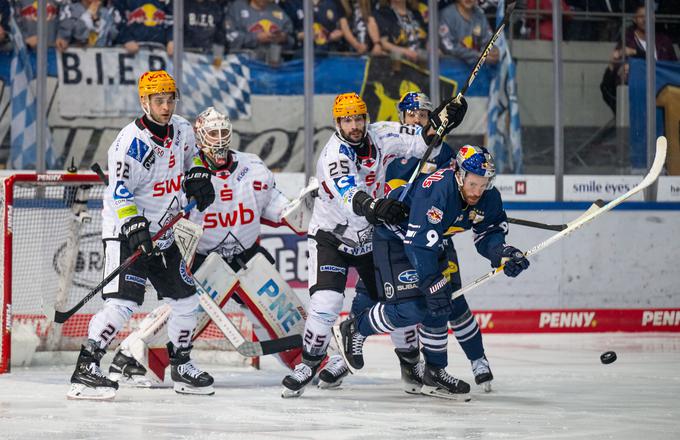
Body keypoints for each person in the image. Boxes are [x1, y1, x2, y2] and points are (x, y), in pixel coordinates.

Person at [108, 106, 314, 385]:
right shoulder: (181, 173)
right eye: (211, 133)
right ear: (198, 138)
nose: (218, 139)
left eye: (222, 132)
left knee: (284, 312)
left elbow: (277, 207)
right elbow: (166, 213)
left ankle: (316, 360)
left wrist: (301, 208)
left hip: (249, 258)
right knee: (185, 311)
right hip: (207, 262)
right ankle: (134, 358)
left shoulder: (252, 166)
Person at [280, 91, 467, 398]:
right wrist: (375, 206)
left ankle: (410, 364)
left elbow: (420, 142)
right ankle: (308, 363)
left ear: (365, 118)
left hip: (371, 236)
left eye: (358, 118)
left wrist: (440, 124)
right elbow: (350, 193)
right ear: (337, 122)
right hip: (333, 237)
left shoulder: (380, 134)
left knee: (403, 302)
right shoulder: (333, 156)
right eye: (347, 120)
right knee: (326, 304)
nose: (354, 125)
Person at [335, 146, 530, 400]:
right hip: (394, 237)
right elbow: (418, 244)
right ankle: (355, 327)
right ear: (458, 174)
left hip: (429, 242)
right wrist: (432, 283)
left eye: (484, 184)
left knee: (441, 305)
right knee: (414, 307)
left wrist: (502, 253)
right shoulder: (437, 190)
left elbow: (488, 234)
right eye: (473, 184)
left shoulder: (487, 195)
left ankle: (435, 372)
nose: (477, 191)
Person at [66, 70, 216, 400]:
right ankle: (86, 367)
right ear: (144, 102)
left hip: (165, 233)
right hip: (127, 232)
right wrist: (134, 227)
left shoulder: (182, 130)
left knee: (187, 300)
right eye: (158, 100)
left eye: (170, 99)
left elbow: (190, 163)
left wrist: (198, 180)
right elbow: (120, 194)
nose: (166, 106)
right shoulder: (128, 144)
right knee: (122, 303)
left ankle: (182, 366)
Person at [383, 92, 495, 393]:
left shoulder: (447, 154)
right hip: (398, 240)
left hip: (435, 242)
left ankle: (477, 359)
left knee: (452, 302)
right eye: (412, 114)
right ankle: (413, 366)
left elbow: (460, 195)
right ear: (402, 117)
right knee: (402, 304)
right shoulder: (392, 154)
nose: (417, 119)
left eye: (423, 115)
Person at [439, 0, 499, 65]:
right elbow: (449, 47)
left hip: (476, 67)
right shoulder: (446, 15)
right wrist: (477, 55)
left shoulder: (479, 14)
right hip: (450, 67)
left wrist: (492, 50)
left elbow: (487, 40)